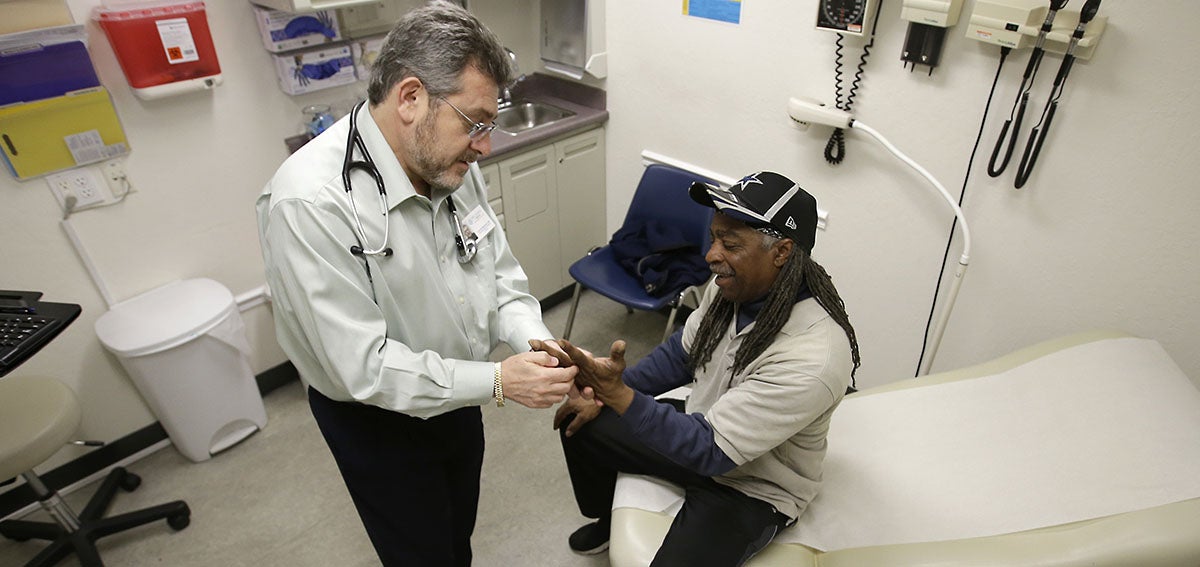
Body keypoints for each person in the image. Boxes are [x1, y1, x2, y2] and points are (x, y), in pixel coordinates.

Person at [254, 3, 577, 565]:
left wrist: (534, 343)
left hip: (462, 395)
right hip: (378, 421)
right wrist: (500, 381)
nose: (485, 146)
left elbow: (499, 276)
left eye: (490, 125)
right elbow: (364, 367)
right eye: (475, 123)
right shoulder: (310, 204)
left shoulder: (451, 167)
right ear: (410, 98)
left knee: (458, 532)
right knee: (420, 552)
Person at [540, 171, 862, 565]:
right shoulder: (734, 287)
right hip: (704, 422)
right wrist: (605, 391)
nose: (711, 256)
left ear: (781, 252)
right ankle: (607, 516)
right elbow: (684, 353)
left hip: (753, 484)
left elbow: (709, 451)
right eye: (714, 238)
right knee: (583, 421)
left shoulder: (815, 355)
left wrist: (619, 397)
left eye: (730, 244)